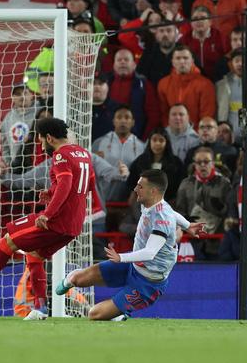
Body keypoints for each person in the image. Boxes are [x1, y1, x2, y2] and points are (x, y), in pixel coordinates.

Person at [0, 118, 96, 320]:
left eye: (41, 141)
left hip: (56, 220)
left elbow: (66, 184)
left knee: (7, 241)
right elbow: (87, 185)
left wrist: (48, 213)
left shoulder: (61, 155)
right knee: (34, 255)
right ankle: (40, 308)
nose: (41, 145)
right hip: (74, 225)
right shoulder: (84, 154)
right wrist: (51, 192)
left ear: (49, 138)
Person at [55, 169, 203, 320]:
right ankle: (72, 282)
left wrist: (120, 257)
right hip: (132, 266)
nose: (135, 189)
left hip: (148, 283)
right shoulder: (152, 204)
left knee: (94, 314)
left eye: (140, 187)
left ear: (153, 191)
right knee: (77, 280)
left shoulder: (162, 219)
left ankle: (120, 314)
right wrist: (187, 225)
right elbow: (173, 213)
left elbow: (150, 252)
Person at [175, 147, 232, 259]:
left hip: (216, 241)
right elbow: (179, 210)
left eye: (206, 161)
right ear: (194, 164)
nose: (202, 165)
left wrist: (220, 208)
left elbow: (229, 212)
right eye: (199, 162)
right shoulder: (186, 184)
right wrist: (184, 221)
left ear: (213, 164)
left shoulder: (224, 184)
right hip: (192, 240)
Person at [157, 45, 216, 127]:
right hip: (171, 134)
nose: (182, 61)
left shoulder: (206, 85)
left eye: (185, 58)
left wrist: (195, 136)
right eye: (178, 58)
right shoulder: (163, 84)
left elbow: (206, 115)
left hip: (196, 135)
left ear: (192, 61)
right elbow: (163, 113)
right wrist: (170, 133)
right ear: (172, 62)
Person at [127, 127, 185, 201]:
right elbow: (132, 184)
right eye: (154, 140)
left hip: (169, 203)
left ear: (166, 143)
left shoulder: (176, 163)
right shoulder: (140, 161)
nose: (157, 143)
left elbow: (180, 187)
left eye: (161, 140)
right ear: (149, 142)